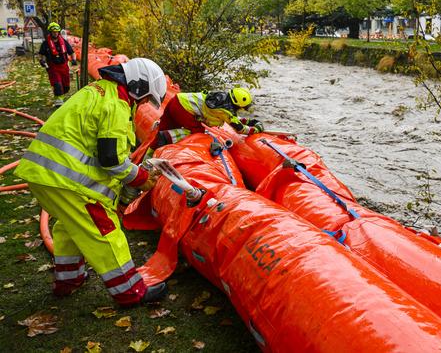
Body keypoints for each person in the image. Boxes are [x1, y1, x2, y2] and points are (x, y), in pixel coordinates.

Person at [15, 58, 169, 307]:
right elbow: (111, 160)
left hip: (43, 173)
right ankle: (131, 292)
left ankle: (69, 280)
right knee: (105, 232)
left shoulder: (97, 90)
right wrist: (140, 178)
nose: (143, 105)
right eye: (145, 98)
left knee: (69, 227)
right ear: (138, 87)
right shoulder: (116, 104)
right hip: (65, 180)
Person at [150, 87, 264, 149]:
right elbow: (240, 129)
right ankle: (167, 137)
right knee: (197, 131)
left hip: (176, 100)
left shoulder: (220, 97)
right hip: (184, 111)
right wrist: (257, 128)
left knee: (161, 132)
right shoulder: (227, 112)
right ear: (238, 104)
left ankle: (147, 159)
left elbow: (233, 119)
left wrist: (249, 121)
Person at [39, 22, 77, 106]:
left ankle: (60, 97)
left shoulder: (64, 42)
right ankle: (58, 102)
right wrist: (42, 61)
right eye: (53, 32)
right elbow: (42, 55)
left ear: (59, 32)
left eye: (56, 32)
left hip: (64, 67)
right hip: (53, 67)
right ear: (50, 32)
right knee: (57, 85)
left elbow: (72, 52)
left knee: (66, 87)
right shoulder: (45, 44)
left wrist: (74, 59)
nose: (55, 33)